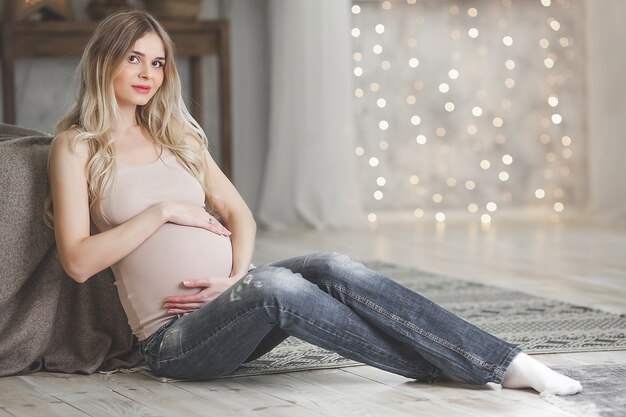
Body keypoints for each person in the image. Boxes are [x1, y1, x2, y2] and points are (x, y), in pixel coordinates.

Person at [46, 9, 581, 395]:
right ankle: (473, 366)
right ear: (105, 61)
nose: (147, 74)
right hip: (176, 342)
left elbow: (240, 215)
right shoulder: (76, 147)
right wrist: (160, 212)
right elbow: (77, 260)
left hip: (240, 301)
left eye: (158, 63)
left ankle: (505, 360)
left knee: (331, 264)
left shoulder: (177, 137)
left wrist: (237, 278)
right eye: (134, 59)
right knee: (278, 284)